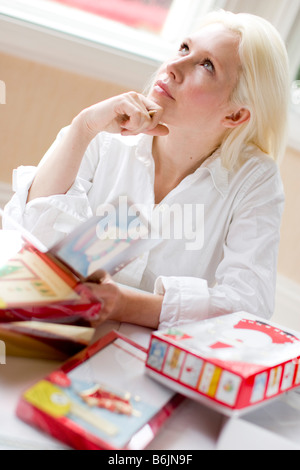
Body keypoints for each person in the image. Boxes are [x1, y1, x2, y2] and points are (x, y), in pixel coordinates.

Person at [3, 10, 290, 331]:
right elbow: (25, 237)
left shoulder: (254, 179)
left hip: (152, 354)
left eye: (206, 65)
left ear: (236, 115)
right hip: (59, 332)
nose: (173, 67)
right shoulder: (103, 135)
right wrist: (82, 128)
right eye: (184, 48)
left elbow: (248, 304)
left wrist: (123, 304)